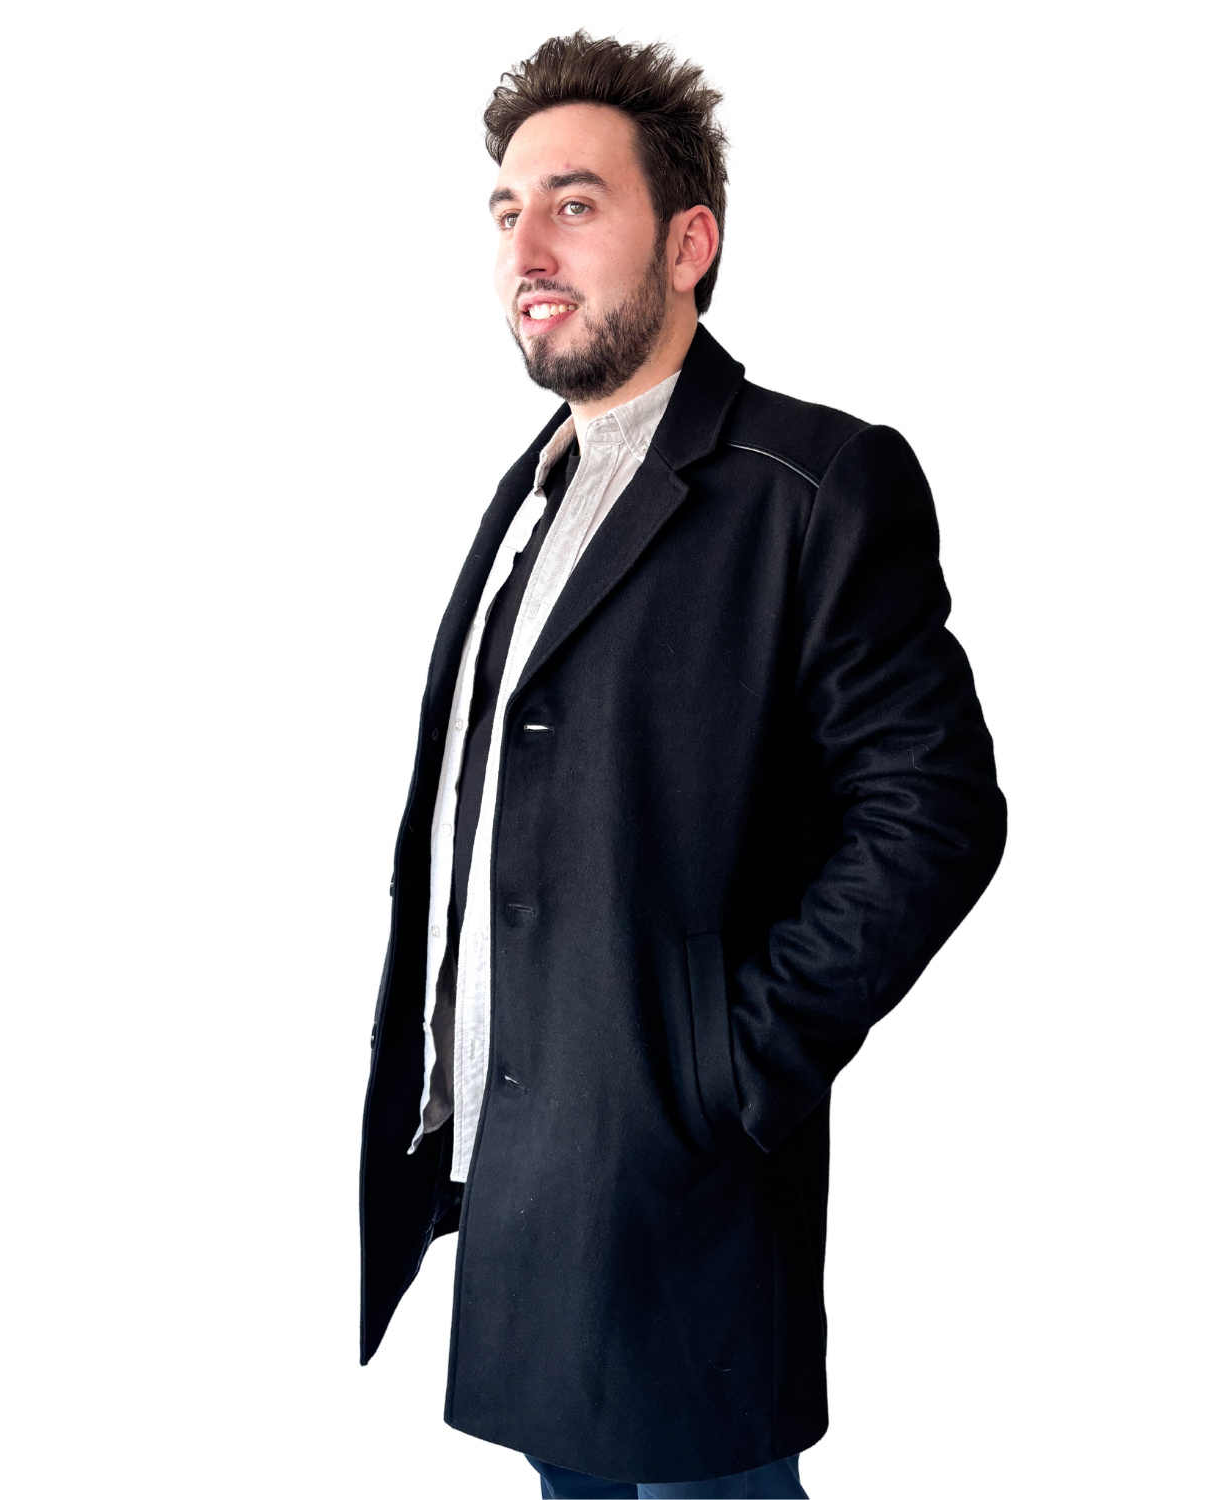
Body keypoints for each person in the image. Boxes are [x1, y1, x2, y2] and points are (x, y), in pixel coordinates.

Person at [358, 31, 1007, 1499]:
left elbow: (935, 812)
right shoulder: (535, 493)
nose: (527, 247)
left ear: (689, 241)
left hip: (682, 1193)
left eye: (575, 203)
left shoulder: (813, 482)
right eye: (507, 210)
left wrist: (728, 1061)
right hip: (530, 1188)